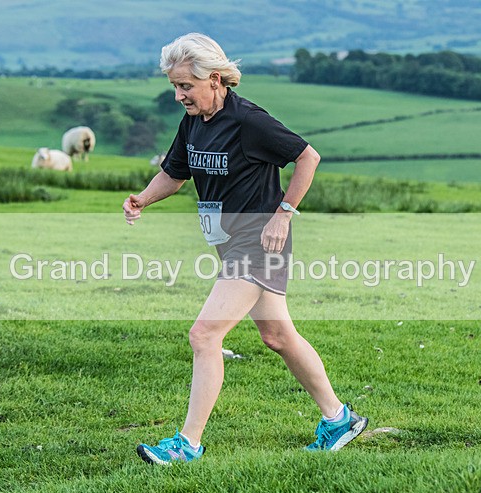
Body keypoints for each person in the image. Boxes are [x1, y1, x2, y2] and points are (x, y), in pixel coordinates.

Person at [123, 33, 367, 465]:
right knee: (277, 335)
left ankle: (187, 444)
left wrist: (284, 211)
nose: (179, 95)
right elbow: (175, 174)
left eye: (185, 86)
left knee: (204, 334)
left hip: (259, 242)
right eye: (175, 87)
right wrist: (143, 197)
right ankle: (339, 418)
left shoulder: (249, 120)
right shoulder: (194, 123)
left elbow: (307, 156)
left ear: (214, 79)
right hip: (229, 241)